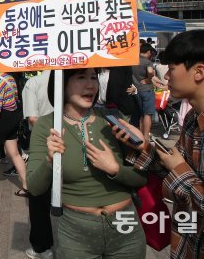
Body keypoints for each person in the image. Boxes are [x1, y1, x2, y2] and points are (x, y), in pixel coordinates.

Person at [116, 30, 204, 259]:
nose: (166, 77)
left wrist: (179, 169)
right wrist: (142, 147)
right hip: (186, 244)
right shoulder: (193, 118)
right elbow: (172, 170)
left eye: (172, 69)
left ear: (199, 72)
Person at [28, 68, 147, 258]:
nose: (91, 85)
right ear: (62, 83)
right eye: (81, 77)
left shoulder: (112, 119)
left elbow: (141, 179)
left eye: (94, 77)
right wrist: (50, 159)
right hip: (75, 233)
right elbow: (34, 187)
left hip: (126, 228)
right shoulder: (46, 125)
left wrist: (116, 168)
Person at [21, 71, 54, 259]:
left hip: (42, 143)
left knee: (39, 195)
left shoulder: (33, 82)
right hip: (71, 139)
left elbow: (32, 118)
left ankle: (42, 246)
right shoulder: (72, 77)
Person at [131, 43, 156, 139]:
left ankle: (138, 134)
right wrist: (148, 80)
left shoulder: (133, 61)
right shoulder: (147, 62)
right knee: (147, 114)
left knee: (139, 113)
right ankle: (146, 136)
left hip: (134, 90)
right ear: (149, 52)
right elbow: (150, 72)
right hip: (146, 90)